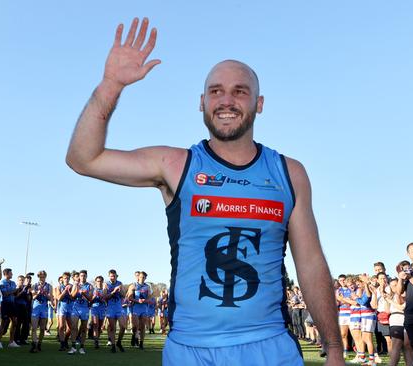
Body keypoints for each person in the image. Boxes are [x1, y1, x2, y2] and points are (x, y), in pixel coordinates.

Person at [66, 17, 342, 365]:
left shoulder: (289, 173)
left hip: (269, 346)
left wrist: (333, 349)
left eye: (240, 91)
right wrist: (110, 85)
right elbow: (82, 159)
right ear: (201, 102)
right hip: (191, 350)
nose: (226, 100)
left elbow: (311, 261)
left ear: (259, 103)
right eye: (216, 91)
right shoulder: (175, 164)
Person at [69, 270, 92, 355]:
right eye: (81, 275)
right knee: (74, 327)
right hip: (75, 308)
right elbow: (72, 296)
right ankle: (73, 347)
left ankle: (82, 347)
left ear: (86, 276)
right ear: (79, 276)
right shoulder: (75, 284)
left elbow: (90, 298)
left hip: (85, 308)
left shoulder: (89, 286)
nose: (82, 277)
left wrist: (84, 293)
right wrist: (77, 289)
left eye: (84, 276)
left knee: (83, 328)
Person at [127, 271, 152, 350]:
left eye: (143, 277)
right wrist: (138, 301)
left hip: (144, 308)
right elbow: (129, 297)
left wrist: (145, 301)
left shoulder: (147, 287)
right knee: (135, 326)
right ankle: (134, 336)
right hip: (136, 307)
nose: (141, 278)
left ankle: (141, 343)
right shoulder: (133, 285)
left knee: (142, 327)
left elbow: (149, 298)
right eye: (140, 277)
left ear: (145, 278)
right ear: (138, 277)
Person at [0, 267, 20, 349]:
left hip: (12, 304)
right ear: (6, 274)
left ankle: (11, 341)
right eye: (10, 273)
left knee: (15, 322)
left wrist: (19, 290)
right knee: (2, 322)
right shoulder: (1, 283)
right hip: (5, 304)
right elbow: (5, 294)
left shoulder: (13, 283)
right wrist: (15, 290)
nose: (12, 274)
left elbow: (16, 295)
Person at [29, 270, 52, 353]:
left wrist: (46, 294)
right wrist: (37, 293)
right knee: (34, 328)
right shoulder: (34, 285)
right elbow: (33, 297)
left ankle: (39, 344)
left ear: (45, 277)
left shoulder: (49, 286)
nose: (42, 278)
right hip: (35, 308)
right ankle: (34, 345)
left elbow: (50, 298)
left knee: (42, 329)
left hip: (44, 308)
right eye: (40, 277)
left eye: (43, 277)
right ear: (38, 277)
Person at [104, 269, 126, 353]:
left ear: (116, 276)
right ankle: (113, 345)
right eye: (111, 276)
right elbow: (105, 297)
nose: (112, 277)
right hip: (110, 308)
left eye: (114, 276)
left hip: (119, 308)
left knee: (123, 326)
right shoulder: (106, 284)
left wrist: (120, 290)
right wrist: (113, 292)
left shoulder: (120, 283)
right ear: (109, 276)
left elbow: (123, 295)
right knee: (112, 328)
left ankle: (119, 342)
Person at [90, 275, 107, 349]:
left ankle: (97, 338)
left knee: (100, 326)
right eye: (98, 281)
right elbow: (90, 300)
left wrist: (101, 297)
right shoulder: (93, 289)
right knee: (95, 324)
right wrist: (94, 296)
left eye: (100, 281)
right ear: (95, 282)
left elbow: (106, 300)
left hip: (102, 308)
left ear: (103, 282)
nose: (99, 282)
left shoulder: (105, 290)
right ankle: (96, 341)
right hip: (94, 308)